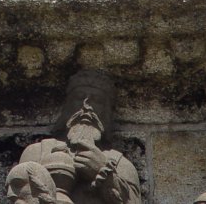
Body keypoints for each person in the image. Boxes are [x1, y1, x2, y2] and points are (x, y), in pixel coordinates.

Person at [17, 71, 140, 204]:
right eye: (79, 97)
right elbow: (19, 196)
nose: (86, 106)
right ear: (67, 106)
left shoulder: (120, 163)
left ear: (107, 112)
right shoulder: (37, 153)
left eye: (97, 101)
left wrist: (103, 173)